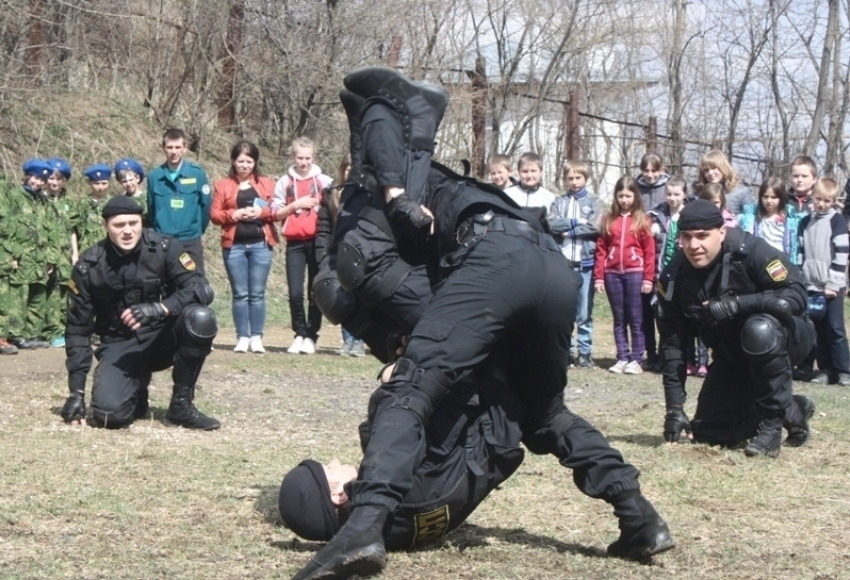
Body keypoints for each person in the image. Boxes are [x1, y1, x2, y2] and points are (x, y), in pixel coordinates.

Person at [290, 67, 674, 580]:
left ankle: (363, 528)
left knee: (410, 386)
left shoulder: (391, 185)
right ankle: (639, 516)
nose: (335, 461)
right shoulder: (408, 183)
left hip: (495, 261)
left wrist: (376, 126)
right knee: (544, 412)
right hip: (550, 269)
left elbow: (364, 236)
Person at [280, 363, 526, 550]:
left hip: (495, 435)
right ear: (337, 495)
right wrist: (401, 375)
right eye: (328, 469)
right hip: (498, 404)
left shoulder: (385, 526)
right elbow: (453, 413)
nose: (333, 461)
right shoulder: (396, 488)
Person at [656, 199, 816, 458]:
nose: (694, 245)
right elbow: (672, 342)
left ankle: (771, 428)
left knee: (759, 330)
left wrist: (738, 305)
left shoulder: (752, 252)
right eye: (686, 237)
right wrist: (674, 408)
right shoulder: (675, 275)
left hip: (786, 339)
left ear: (721, 232)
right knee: (712, 433)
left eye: (702, 236)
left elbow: (795, 297)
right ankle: (791, 407)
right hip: (732, 354)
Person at [61, 196, 220, 430]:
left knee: (200, 318)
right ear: (105, 227)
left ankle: (181, 404)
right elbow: (77, 330)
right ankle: (136, 388)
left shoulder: (165, 248)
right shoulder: (89, 266)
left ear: (141, 223)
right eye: (119, 225)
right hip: (120, 344)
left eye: (133, 224)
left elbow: (200, 288)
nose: (127, 231)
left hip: (164, 336)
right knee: (108, 416)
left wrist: (161, 307)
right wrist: (76, 392)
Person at [210, 141, 278, 354]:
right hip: (234, 246)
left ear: (255, 162)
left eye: (249, 161)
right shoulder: (223, 185)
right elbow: (214, 214)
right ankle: (242, 337)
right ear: (233, 161)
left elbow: (276, 209)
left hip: (261, 244)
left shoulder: (267, 183)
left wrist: (261, 213)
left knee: (257, 293)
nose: (245, 165)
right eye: (241, 161)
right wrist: (234, 215)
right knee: (240, 293)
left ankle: (257, 336)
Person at [272, 137, 332, 355]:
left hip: (318, 240)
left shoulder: (324, 181)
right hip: (295, 241)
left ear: (313, 157)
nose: (303, 162)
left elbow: (334, 208)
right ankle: (299, 332)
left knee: (315, 290)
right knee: (296, 291)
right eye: (300, 158)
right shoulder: (284, 182)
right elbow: (274, 212)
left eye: (307, 158)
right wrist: (295, 205)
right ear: (293, 157)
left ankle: (311, 335)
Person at [593, 176, 656, 374]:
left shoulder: (642, 220)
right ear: (616, 197)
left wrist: (648, 278)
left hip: (635, 273)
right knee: (619, 318)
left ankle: (637, 359)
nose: (624, 200)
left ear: (635, 196)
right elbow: (601, 249)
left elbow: (650, 252)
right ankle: (622, 356)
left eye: (628, 196)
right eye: (621, 196)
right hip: (612, 274)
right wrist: (599, 277)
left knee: (635, 318)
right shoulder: (608, 220)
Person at [1, 159, 59, 350]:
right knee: (18, 297)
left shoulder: (43, 201)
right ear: (27, 177)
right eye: (35, 177)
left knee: (38, 296)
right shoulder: (14, 197)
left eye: (42, 179)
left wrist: (51, 258)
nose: (38, 182)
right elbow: (7, 228)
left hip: (40, 258)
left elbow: (51, 230)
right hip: (21, 256)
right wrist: (12, 254)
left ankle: (32, 334)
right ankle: (16, 335)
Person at [797, 178, 850, 386]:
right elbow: (800, 253)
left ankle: (844, 370)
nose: (821, 204)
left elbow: (842, 254)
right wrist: (802, 279)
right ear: (812, 196)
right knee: (817, 331)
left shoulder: (836, 221)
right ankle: (826, 369)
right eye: (818, 199)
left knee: (835, 329)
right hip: (811, 285)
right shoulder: (805, 222)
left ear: (833, 201)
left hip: (832, 287)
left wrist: (833, 283)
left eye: (827, 201)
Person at [548, 159, 599, 368]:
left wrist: (568, 231)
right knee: (565, 310)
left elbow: (595, 227)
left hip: (585, 263)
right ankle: (566, 351)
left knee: (584, 312)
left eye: (578, 178)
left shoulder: (595, 202)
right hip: (564, 262)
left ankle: (585, 352)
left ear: (586, 178)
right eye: (571, 178)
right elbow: (551, 223)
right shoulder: (559, 202)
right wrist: (577, 222)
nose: (575, 182)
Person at [146, 128, 212, 275]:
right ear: (163, 148)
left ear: (185, 148)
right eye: (169, 147)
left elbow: (206, 206)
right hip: (163, 240)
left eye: (177, 147)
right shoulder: (154, 177)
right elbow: (151, 208)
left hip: (190, 240)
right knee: (166, 284)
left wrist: (195, 229)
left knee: (195, 283)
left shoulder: (197, 174)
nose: (173, 151)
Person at [648, 176, 688, 373]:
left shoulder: (688, 216)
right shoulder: (658, 215)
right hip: (662, 272)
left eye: (677, 194)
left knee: (679, 317)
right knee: (661, 316)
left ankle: (682, 358)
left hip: (682, 273)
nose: (672, 198)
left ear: (684, 195)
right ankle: (662, 357)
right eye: (669, 194)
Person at [44, 157, 76, 348]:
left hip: (65, 255)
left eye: (59, 179)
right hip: (48, 254)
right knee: (51, 293)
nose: (54, 183)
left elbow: (72, 230)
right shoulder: (40, 200)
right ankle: (52, 331)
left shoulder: (68, 202)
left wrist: (75, 254)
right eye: (51, 178)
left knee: (66, 292)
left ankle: (65, 329)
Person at [739, 177, 794, 255]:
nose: (769, 201)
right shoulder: (754, 218)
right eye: (765, 196)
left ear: (781, 198)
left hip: (781, 260)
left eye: (773, 197)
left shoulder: (789, 220)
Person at [73, 164, 113, 264]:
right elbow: (75, 229)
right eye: (96, 183)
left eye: (104, 183)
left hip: (109, 251)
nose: (100, 187)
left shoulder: (112, 203)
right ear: (90, 183)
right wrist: (75, 253)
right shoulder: (83, 203)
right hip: (87, 251)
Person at [696, 149, 754, 215]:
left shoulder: (742, 191)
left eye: (714, 168)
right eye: (706, 170)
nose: (710, 173)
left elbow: (750, 217)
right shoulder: (698, 193)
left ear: (723, 167)